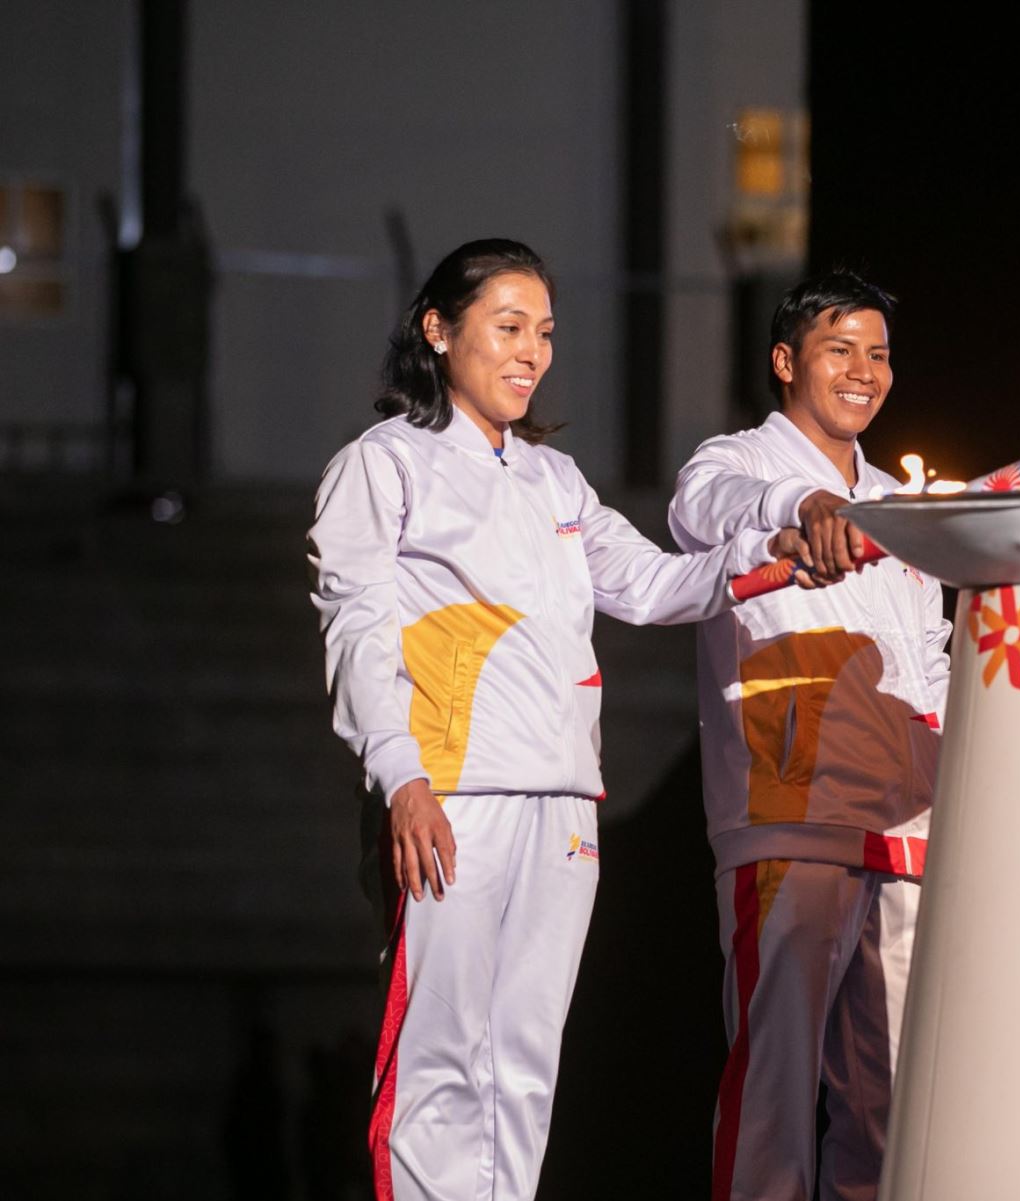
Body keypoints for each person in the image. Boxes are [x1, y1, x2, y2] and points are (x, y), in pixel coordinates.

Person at [308, 238, 814, 1201]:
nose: (531, 352)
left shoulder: (555, 480)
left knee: (523, 1064)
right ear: (437, 329)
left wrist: (774, 552)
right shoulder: (384, 465)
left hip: (564, 803)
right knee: (439, 1060)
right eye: (507, 328)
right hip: (450, 798)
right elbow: (358, 631)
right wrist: (402, 778)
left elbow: (656, 585)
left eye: (543, 332)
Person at [668, 270, 952, 1201]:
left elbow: (933, 659)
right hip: (790, 816)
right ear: (788, 360)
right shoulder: (735, 464)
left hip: (905, 828)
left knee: (896, 1110)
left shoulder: (899, 504)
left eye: (879, 353)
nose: (865, 371)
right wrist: (798, 513)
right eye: (842, 350)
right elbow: (699, 512)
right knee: (775, 1101)